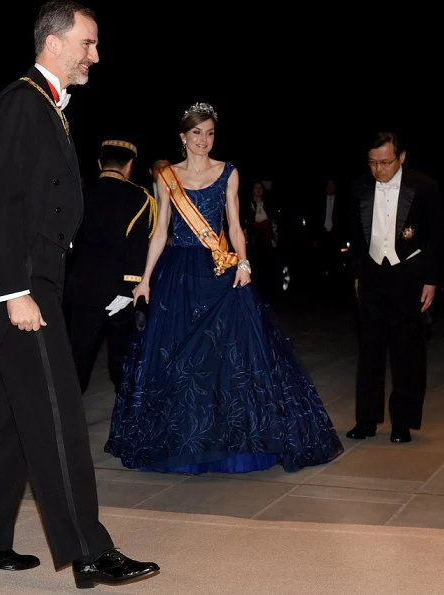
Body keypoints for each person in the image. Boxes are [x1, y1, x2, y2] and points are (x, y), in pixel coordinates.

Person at [0, 1, 159, 589]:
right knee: (60, 418)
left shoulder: (47, 108)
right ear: (55, 42)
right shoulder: (21, 103)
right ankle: (89, 552)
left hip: (33, 283)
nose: (96, 54)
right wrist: (15, 292)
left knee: (4, 422)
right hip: (22, 287)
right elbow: (2, 207)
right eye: (88, 42)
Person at [104, 102, 344, 474]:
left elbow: (234, 225)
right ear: (183, 137)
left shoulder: (228, 172)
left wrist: (243, 262)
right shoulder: (167, 175)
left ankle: (233, 439)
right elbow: (160, 231)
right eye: (196, 132)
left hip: (219, 270)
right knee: (178, 360)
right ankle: (183, 440)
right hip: (179, 273)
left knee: (230, 357)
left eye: (210, 132)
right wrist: (145, 279)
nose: (204, 140)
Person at [347, 130, 443, 444]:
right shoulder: (359, 186)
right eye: (373, 163)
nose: (379, 170)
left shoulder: (425, 187)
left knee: (407, 352)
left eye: (386, 163)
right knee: (370, 351)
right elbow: (355, 238)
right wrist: (358, 273)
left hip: (409, 275)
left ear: (401, 158)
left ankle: (402, 423)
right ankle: (366, 420)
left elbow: (437, 238)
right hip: (373, 275)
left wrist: (431, 279)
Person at [63, 137, 157, 393]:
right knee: (122, 359)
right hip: (120, 290)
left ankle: (65, 421)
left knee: (78, 357)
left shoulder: (79, 196)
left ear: (99, 163)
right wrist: (131, 288)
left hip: (82, 288)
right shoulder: (142, 199)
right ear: (129, 166)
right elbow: (140, 248)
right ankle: (126, 418)